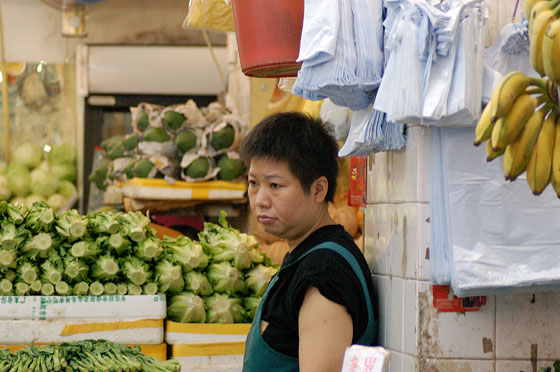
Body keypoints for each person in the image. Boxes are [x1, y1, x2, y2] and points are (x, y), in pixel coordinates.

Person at [240, 111, 377, 372]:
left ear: (318, 189)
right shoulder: (304, 254)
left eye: (275, 186)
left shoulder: (324, 274)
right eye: (253, 183)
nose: (260, 200)